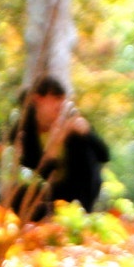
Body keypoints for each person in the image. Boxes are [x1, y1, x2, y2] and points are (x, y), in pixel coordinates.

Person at [15, 77, 110, 218]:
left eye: (63, 99)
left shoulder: (72, 124)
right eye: (56, 98)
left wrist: (87, 133)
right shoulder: (23, 131)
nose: (61, 105)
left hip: (75, 197)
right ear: (38, 99)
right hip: (42, 201)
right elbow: (32, 180)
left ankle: (82, 214)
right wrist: (51, 154)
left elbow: (104, 156)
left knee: (86, 152)